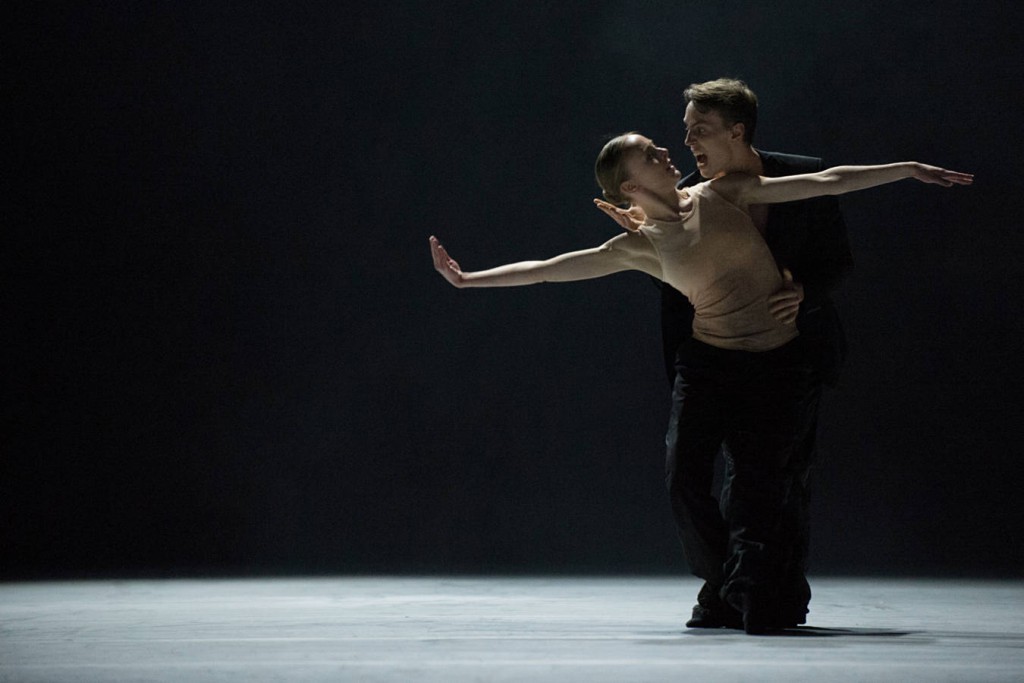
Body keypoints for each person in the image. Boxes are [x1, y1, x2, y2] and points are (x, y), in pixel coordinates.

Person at [430, 133, 971, 633]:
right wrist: (467, 278)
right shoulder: (639, 246)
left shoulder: (724, 191)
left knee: (762, 488)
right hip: (708, 365)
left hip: (773, 362)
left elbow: (826, 182)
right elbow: (549, 267)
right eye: (650, 153)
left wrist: (906, 169)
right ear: (630, 185)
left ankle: (748, 587)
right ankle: (725, 578)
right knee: (683, 478)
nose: (666, 150)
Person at [598, 78, 853, 630]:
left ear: (737, 131)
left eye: (700, 130)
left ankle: (769, 593)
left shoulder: (795, 173)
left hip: (793, 351)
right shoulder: (685, 195)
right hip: (713, 357)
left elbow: (837, 261)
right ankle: (733, 584)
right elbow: (678, 287)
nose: (686, 142)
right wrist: (654, 232)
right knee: (703, 478)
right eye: (685, 131)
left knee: (776, 479)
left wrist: (803, 290)